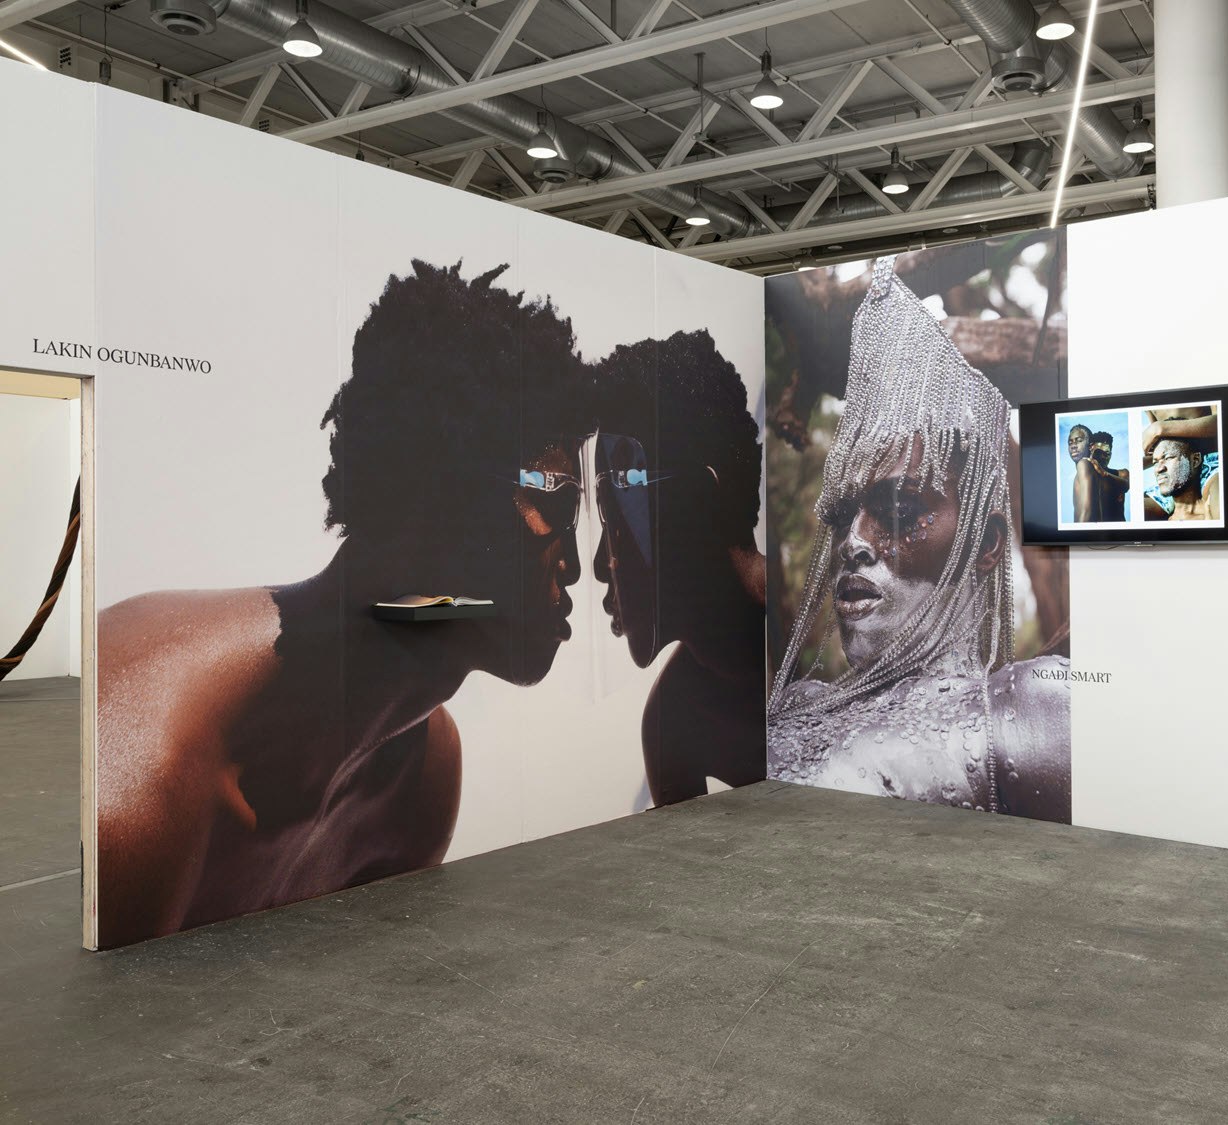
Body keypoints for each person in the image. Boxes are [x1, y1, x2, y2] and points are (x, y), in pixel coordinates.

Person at [95, 261, 591, 947]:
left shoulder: (418, 780)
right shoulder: (149, 770)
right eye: (554, 501)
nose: (575, 562)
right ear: (438, 492)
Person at [768, 258, 1070, 823]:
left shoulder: (1024, 710)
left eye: (900, 511)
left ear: (985, 544)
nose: (853, 542)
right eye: (843, 517)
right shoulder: (798, 705)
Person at [589, 330, 766, 806]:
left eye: (620, 520)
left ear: (695, 505)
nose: (602, 565)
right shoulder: (671, 723)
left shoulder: (828, 624)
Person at [1146, 437, 1220, 521]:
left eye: (1168, 458)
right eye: (1155, 463)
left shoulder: (1213, 514)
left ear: (1195, 460)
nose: (1159, 469)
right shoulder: (1157, 519)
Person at [1070, 426, 1128, 522]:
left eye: (1107, 453)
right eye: (1099, 452)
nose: (1103, 457)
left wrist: (1104, 473)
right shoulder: (1085, 473)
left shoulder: (1122, 474)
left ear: (1111, 453)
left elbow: (1127, 485)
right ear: (1091, 450)